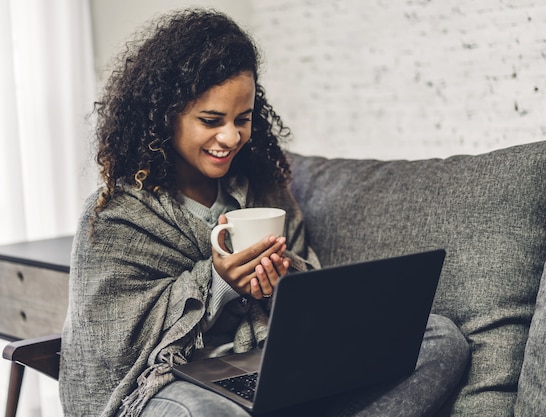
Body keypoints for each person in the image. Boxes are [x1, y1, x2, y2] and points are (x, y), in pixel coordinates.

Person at [59, 8, 469, 417]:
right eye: (211, 120)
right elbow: (110, 348)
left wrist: (281, 280)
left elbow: (312, 290)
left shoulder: (263, 185)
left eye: (243, 119)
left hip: (271, 359)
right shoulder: (117, 216)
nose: (231, 136)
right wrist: (218, 281)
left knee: (437, 338)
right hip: (178, 380)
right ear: (166, 117)